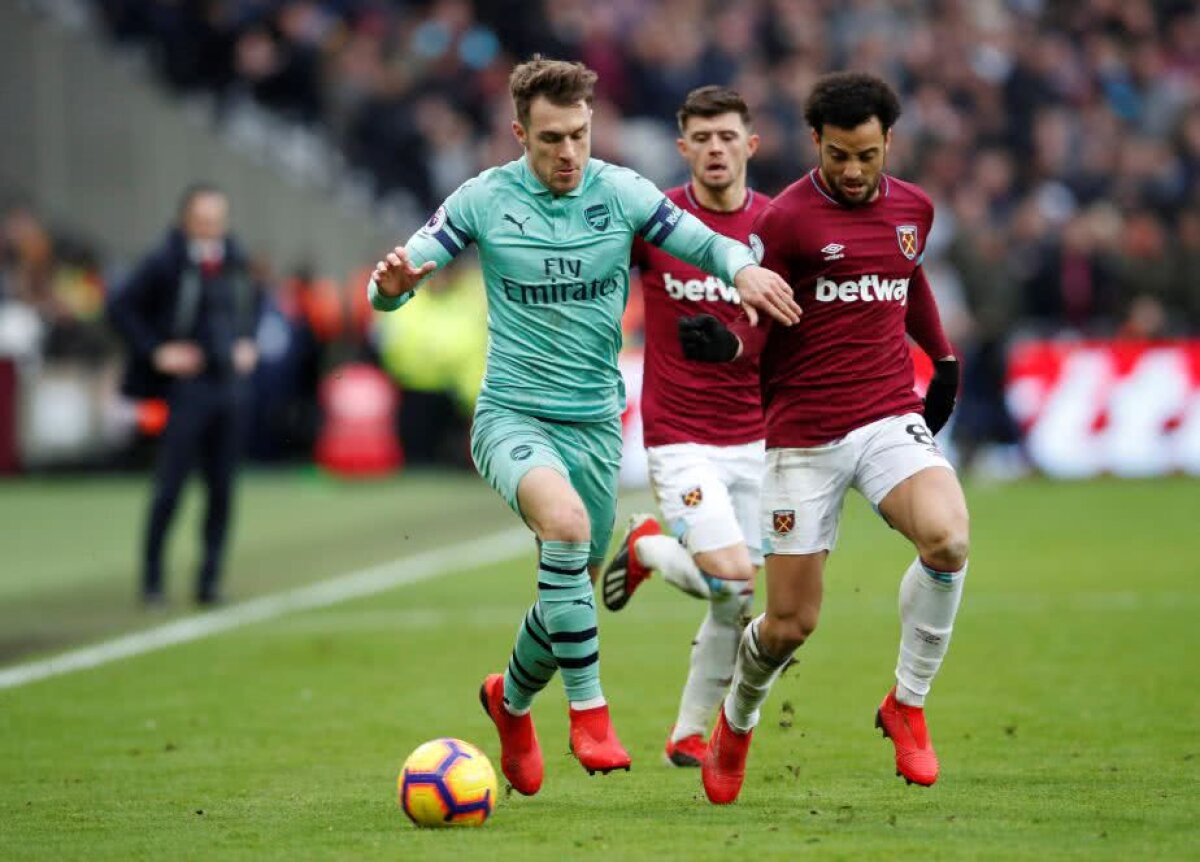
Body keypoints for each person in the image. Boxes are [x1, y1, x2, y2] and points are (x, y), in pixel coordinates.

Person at [368, 57, 801, 796]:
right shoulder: (483, 199)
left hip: (596, 425)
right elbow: (403, 275)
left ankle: (508, 703)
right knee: (566, 532)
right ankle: (590, 713)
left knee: (562, 582)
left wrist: (742, 269)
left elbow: (705, 241)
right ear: (518, 135)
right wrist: (394, 288)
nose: (568, 153)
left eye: (578, 135)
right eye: (550, 140)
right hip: (513, 415)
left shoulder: (623, 192)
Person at [678, 71, 968, 803]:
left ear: (887, 144)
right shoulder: (787, 223)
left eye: (866, 155)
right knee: (789, 623)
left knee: (949, 539)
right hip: (802, 437)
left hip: (883, 416)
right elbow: (760, 320)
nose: (851, 170)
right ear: (815, 142)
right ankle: (736, 722)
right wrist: (729, 347)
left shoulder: (914, 209)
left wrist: (945, 357)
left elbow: (909, 274)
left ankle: (907, 701)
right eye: (838, 154)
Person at [598, 85, 770, 769]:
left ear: (750, 145)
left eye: (728, 137)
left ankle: (688, 732)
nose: (716, 149)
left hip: (759, 437)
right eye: (702, 139)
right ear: (683, 148)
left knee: (741, 603)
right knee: (732, 582)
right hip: (681, 433)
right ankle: (647, 546)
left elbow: (796, 324)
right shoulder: (655, 221)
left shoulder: (774, 228)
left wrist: (740, 347)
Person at [108, 184, 260, 607]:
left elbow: (251, 305)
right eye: (203, 220)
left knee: (222, 489)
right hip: (187, 389)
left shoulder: (235, 258)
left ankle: (209, 581)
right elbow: (120, 307)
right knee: (170, 486)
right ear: (185, 221)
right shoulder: (164, 260)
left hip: (229, 386)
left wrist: (247, 340)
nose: (212, 228)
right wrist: (158, 351)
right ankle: (153, 580)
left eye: (218, 219)